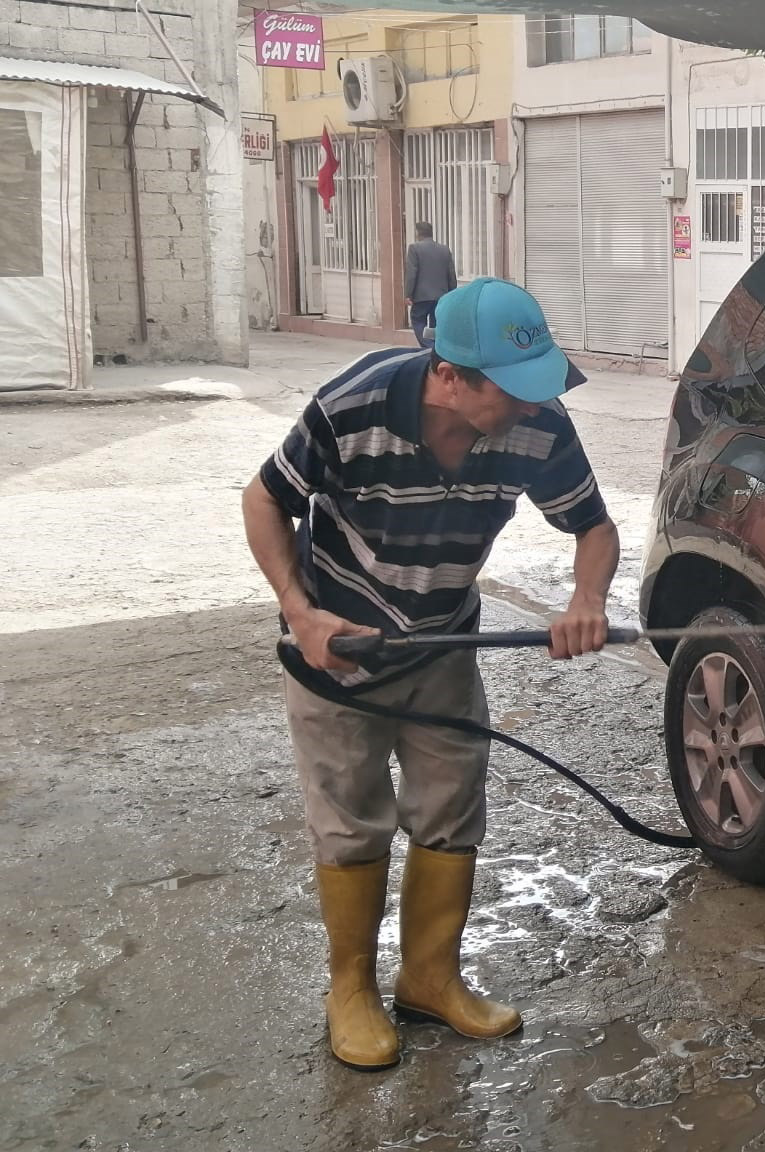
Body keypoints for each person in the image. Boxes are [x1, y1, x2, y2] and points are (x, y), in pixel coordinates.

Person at [240, 277, 619, 1071]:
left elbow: (593, 525)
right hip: (338, 653)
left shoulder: (538, 428)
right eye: (511, 391)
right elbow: (265, 500)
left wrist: (587, 597)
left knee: (450, 812)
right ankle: (351, 988)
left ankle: (429, 977)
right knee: (351, 823)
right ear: (449, 375)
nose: (529, 406)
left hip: (445, 645)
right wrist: (301, 613)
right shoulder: (353, 405)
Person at [404, 222, 458, 348]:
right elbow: (451, 274)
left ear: (418, 233)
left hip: (421, 296)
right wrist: (451, 294)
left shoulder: (414, 248)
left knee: (418, 320)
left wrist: (408, 294)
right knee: (436, 324)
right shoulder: (444, 249)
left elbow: (412, 273)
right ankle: (436, 347)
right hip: (441, 296)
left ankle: (428, 347)